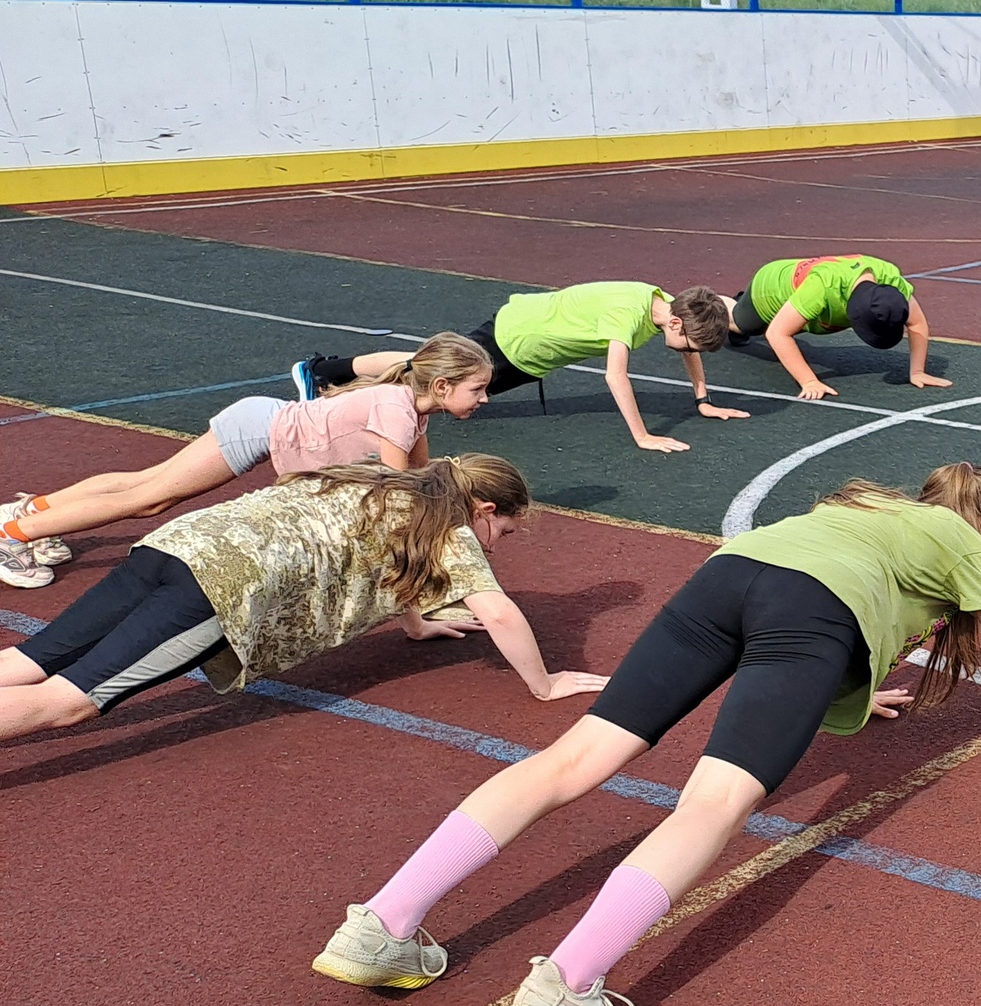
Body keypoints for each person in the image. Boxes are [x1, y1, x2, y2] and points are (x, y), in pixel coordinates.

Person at [310, 463, 981, 1006]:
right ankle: (568, 984)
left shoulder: (859, 503)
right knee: (710, 805)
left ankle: (379, 927)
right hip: (811, 615)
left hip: (723, 580)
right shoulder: (971, 545)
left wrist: (853, 685)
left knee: (575, 756)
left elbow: (844, 588)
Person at [0, 456, 604, 744]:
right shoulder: (450, 529)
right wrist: (544, 684)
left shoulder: (377, 476)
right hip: (222, 585)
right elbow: (498, 610)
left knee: (34, 659)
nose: (498, 548)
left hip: (173, 545)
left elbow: (384, 560)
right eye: (506, 533)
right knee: (70, 702)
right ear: (485, 510)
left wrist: (416, 623)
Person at [1, 335, 497, 591]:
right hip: (258, 429)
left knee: (147, 483)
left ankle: (30, 513)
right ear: (440, 386)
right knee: (149, 500)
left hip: (261, 419)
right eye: (477, 389)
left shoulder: (412, 412)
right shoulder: (396, 409)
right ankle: (12, 538)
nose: (485, 400)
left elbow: (420, 479)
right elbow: (398, 491)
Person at [289, 282, 748, 454]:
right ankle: (326, 371)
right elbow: (615, 375)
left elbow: (689, 349)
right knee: (425, 368)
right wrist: (643, 436)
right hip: (513, 338)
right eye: (687, 340)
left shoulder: (667, 307)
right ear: (673, 320)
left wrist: (702, 399)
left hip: (533, 355)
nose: (687, 350)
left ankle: (343, 385)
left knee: (434, 388)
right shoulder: (627, 315)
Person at [716, 254, 950, 397]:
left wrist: (917, 371)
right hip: (770, 289)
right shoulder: (822, 287)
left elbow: (916, 321)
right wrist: (808, 380)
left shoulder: (889, 280)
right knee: (742, 324)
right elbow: (778, 333)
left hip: (805, 299)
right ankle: (723, 304)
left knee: (794, 323)